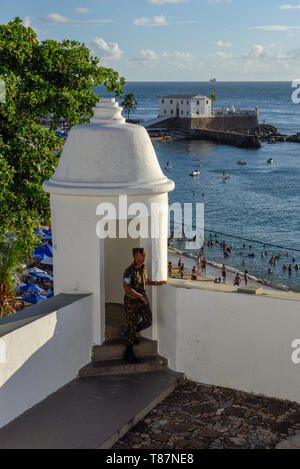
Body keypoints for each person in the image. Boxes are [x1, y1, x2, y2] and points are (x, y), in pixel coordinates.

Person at [123, 248, 167, 363]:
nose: (144, 257)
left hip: (141, 300)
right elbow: (127, 288)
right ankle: (128, 352)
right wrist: (140, 296)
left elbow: (145, 281)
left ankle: (130, 333)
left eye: (144, 255)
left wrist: (157, 283)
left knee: (148, 321)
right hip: (131, 301)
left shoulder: (143, 268)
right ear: (136, 256)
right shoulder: (129, 271)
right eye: (142, 255)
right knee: (131, 322)